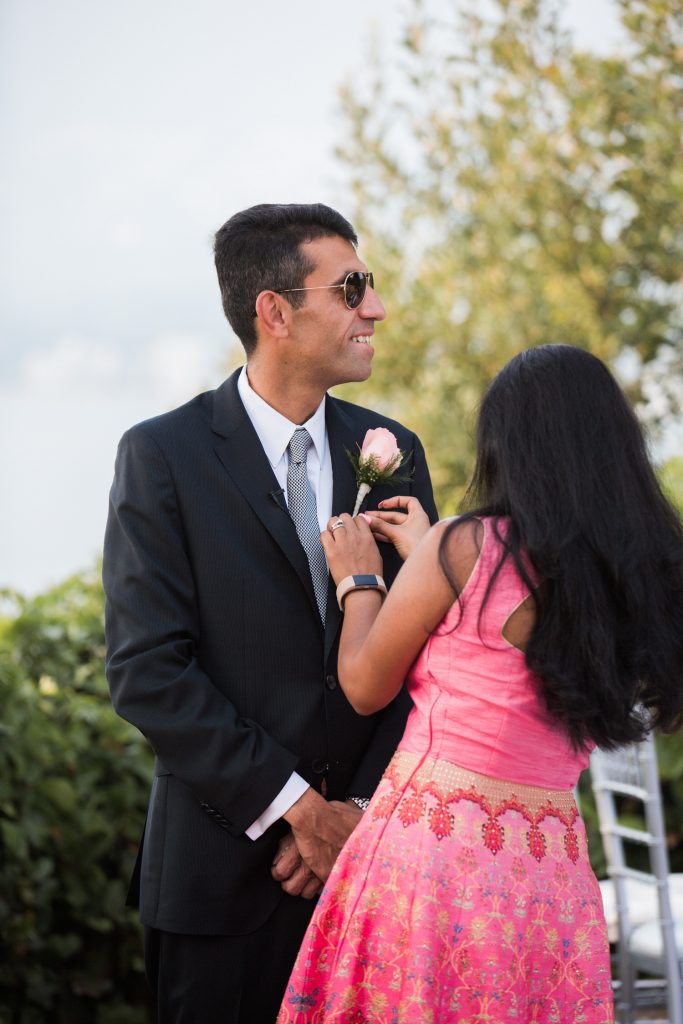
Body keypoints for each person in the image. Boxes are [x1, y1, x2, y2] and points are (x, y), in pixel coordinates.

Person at [102, 203, 438, 1023]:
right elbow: (148, 671)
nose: (376, 308)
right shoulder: (162, 456)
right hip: (219, 882)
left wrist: (356, 815)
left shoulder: (392, 449)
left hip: (372, 873)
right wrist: (298, 809)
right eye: (351, 286)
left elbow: (426, 655)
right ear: (275, 312)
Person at [278, 344, 683, 1024]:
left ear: (509, 446)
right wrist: (434, 563)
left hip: (436, 863)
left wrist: (361, 580)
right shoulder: (643, 572)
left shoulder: (463, 546)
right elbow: (533, 628)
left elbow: (363, 685)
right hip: (550, 874)